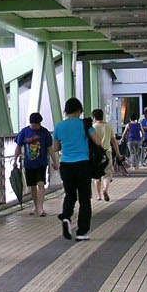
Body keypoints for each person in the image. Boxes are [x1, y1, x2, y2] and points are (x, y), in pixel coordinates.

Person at [51, 97, 102, 241]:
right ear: (80, 110)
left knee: (70, 195)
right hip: (83, 165)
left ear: (66, 111)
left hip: (66, 165)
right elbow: (98, 141)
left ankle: (66, 217)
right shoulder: (84, 124)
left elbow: (55, 148)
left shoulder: (59, 126)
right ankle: (82, 232)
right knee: (85, 199)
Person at [12, 111, 54, 216]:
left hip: (41, 163)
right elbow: (18, 147)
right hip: (29, 164)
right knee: (32, 186)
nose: (36, 127)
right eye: (34, 125)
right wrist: (15, 160)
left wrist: (55, 161)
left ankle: (40, 208)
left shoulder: (44, 132)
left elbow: (50, 148)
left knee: (41, 184)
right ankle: (36, 207)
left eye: (38, 124)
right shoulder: (24, 132)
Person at [90, 108, 117, 202]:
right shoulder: (108, 126)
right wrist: (118, 153)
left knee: (96, 175)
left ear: (93, 117)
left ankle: (98, 195)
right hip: (107, 151)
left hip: (96, 154)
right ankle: (105, 189)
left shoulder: (92, 127)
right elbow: (114, 141)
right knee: (107, 173)